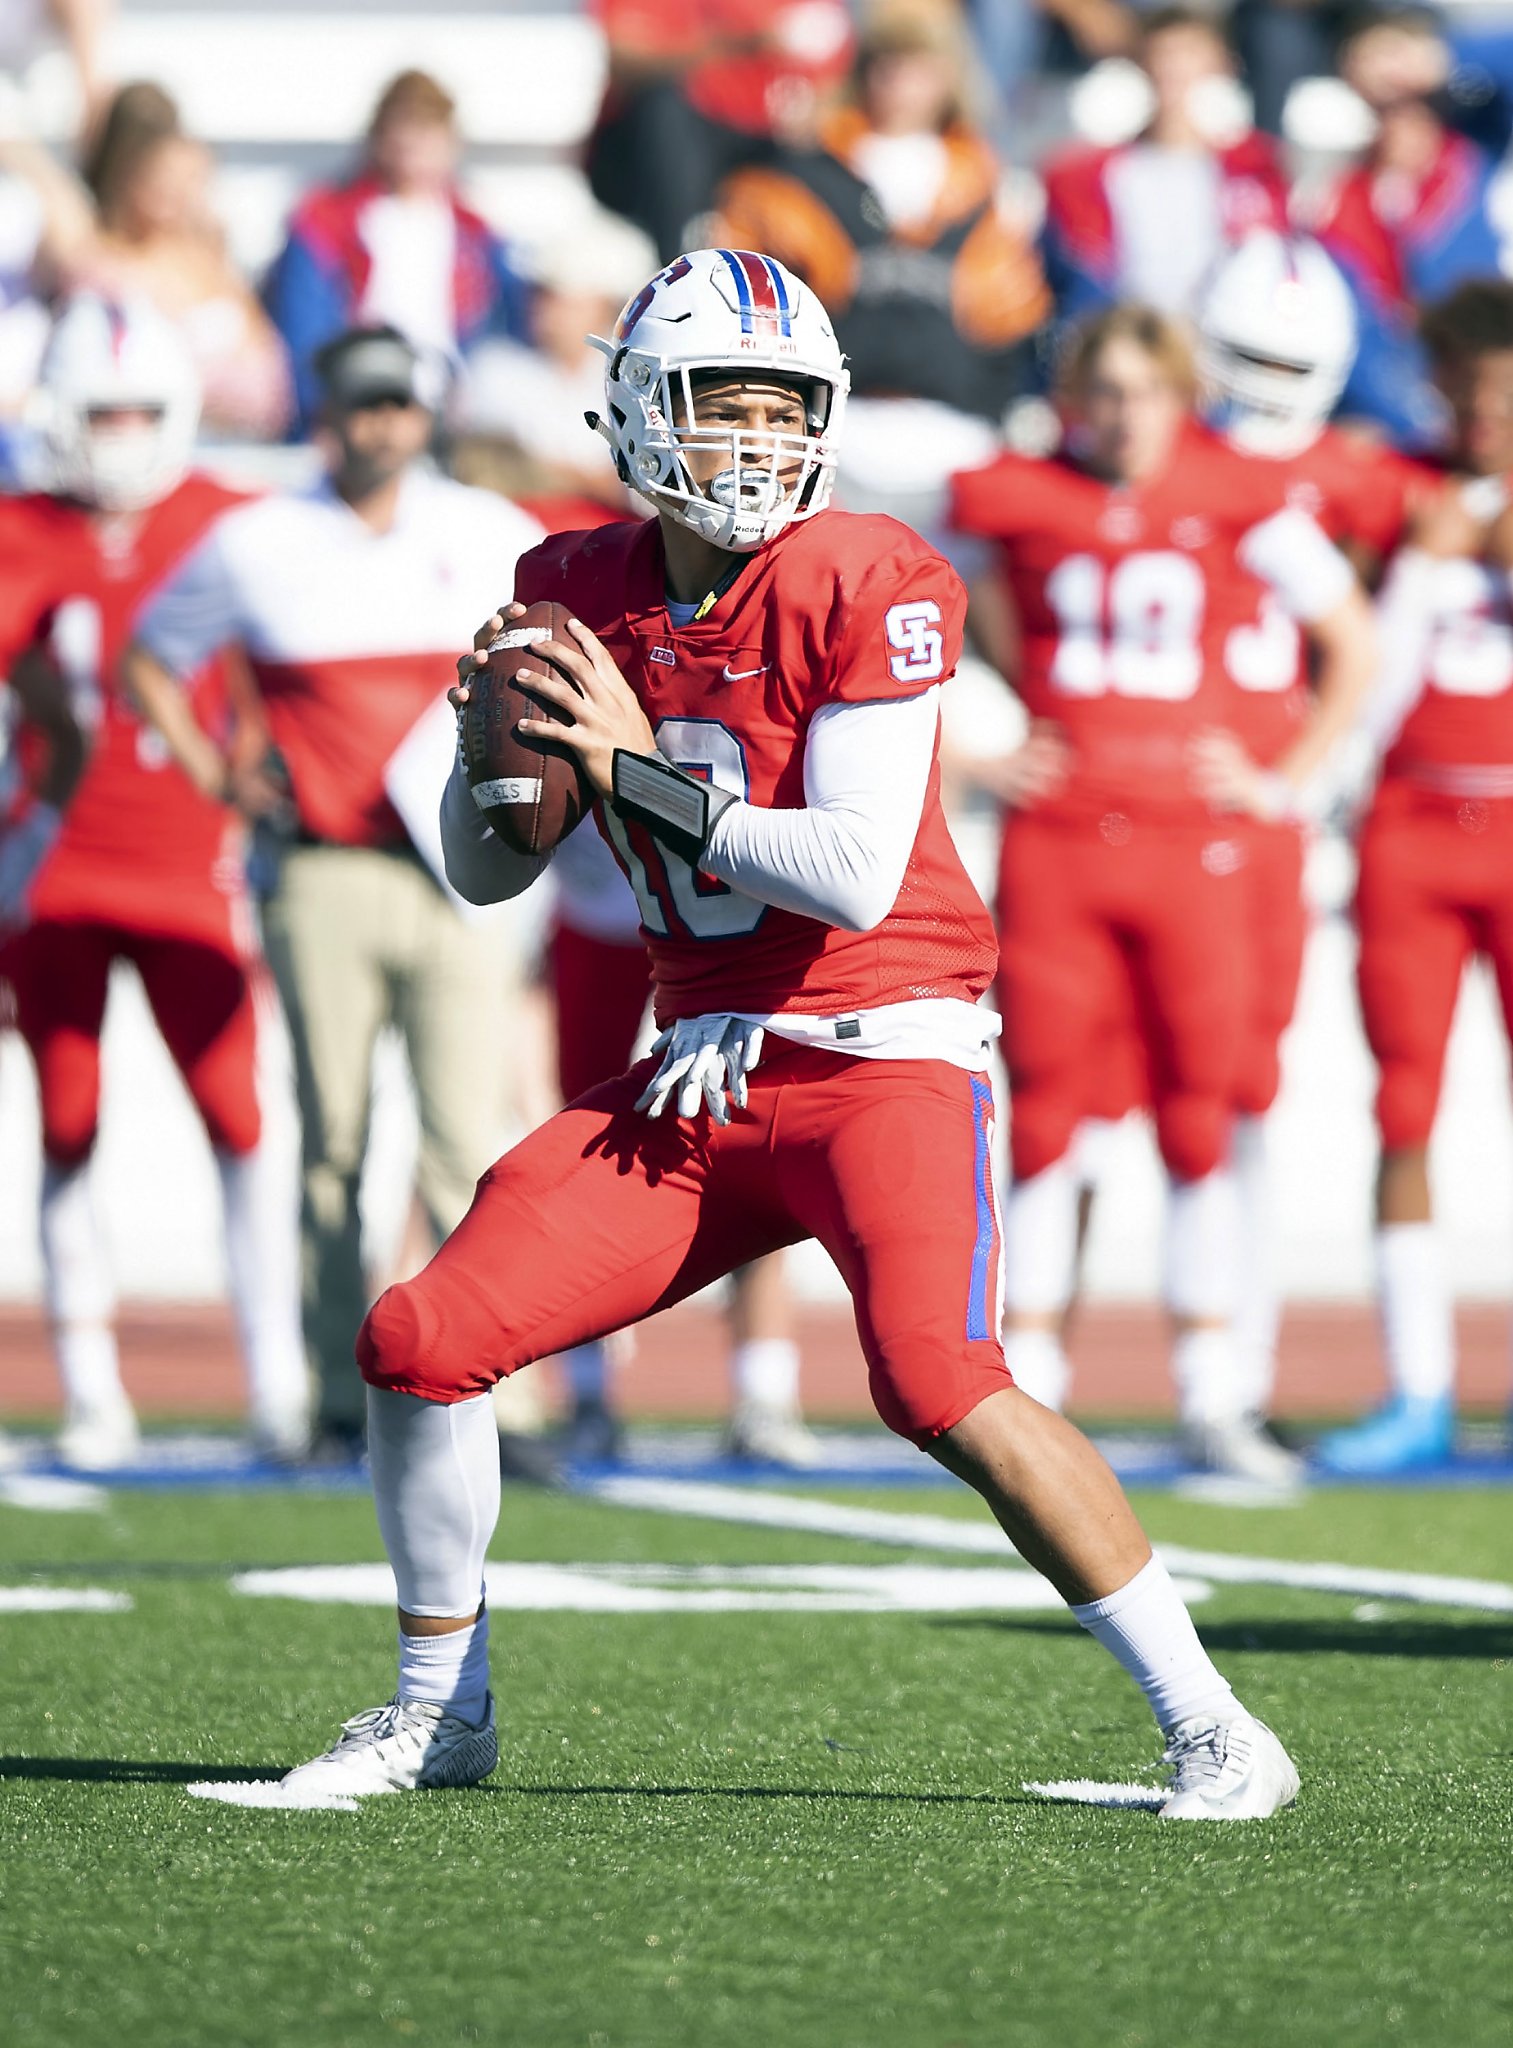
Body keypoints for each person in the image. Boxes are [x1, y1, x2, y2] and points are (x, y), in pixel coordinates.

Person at [277, 249, 1298, 1820]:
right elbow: (485, 877)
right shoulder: (573, 586)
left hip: (882, 1053)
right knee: (422, 1339)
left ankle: (1217, 1729)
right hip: (702, 1070)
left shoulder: (865, 572)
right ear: (638, 409)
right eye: (720, 404)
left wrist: (625, 767)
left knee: (937, 1380)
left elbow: (850, 869)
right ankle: (435, 1713)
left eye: (781, 409)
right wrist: (494, 759)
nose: (754, 440)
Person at [948, 303, 1374, 1484]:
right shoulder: (1014, 494)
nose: (1122, 415)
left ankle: (1212, 1388)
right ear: (1071, 400)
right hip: (1062, 835)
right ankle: (1027, 1387)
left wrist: (1281, 781)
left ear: (1179, 395)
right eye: (1103, 392)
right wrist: (976, 749)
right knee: (1042, 1109)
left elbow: (1352, 641)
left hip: (1192, 842)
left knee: (1199, 1106)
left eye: (1142, 391)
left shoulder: (1238, 491)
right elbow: (899, 619)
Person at [124, 325, 544, 1461]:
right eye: (363, 404)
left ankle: (492, 1390)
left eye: (397, 404)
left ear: (424, 415)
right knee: (333, 1144)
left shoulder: (486, 530)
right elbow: (150, 657)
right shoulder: (260, 540)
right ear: (328, 414)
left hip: (463, 874)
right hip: (322, 868)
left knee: (469, 1140)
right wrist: (216, 770)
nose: (381, 425)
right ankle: (331, 1393)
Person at [0, 293, 308, 1469]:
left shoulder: (229, 518)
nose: (123, 435)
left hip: (190, 858)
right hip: (55, 862)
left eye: (140, 411)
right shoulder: (19, 525)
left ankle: (276, 1377)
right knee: (66, 1118)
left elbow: (287, 666)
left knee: (239, 1115)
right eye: (102, 413)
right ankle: (90, 1386)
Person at [1318, 280, 1513, 1476]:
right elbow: (1345, 657)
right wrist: (1415, 555)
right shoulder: (1395, 489)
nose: (1478, 414)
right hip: (1412, 827)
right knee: (1401, 1105)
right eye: (1461, 391)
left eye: (1497, 392)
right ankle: (1417, 1386)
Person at [544, 821, 818, 1467]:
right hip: (599, 916)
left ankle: (765, 1390)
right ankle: (588, 1395)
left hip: (719, 920)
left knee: (750, 1136)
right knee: (583, 1155)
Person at [709, 4, 1049, 525]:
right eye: (888, 63)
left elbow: (1012, 319)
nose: (901, 82)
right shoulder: (801, 172)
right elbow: (754, 293)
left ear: (949, 76)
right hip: (837, 430)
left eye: (919, 66)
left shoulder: (991, 186)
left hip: (958, 435)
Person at [263, 70, 529, 435]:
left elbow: (512, 325)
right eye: (403, 131)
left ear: (452, 142)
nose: (413, 147)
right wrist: (323, 412)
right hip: (362, 405)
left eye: (427, 132)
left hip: (452, 411)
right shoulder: (326, 224)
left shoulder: (477, 233)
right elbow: (305, 334)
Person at [70, 82, 292, 440]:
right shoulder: (104, 264)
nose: (176, 192)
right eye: (163, 177)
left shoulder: (210, 262)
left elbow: (269, 366)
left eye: (190, 179)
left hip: (244, 442)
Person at [1041, 8, 1288, 325]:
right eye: (1162, 53)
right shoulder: (1086, 176)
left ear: (1221, 64)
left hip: (1225, 331)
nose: (1172, 67)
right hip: (1130, 333)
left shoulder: (1259, 169)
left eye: (1188, 53)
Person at [586, 0, 855, 261]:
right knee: (665, 110)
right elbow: (621, 56)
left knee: (836, 196)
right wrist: (739, 43)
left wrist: (815, 110)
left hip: (771, 138)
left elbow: (835, 82)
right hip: (665, 146)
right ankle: (682, 262)